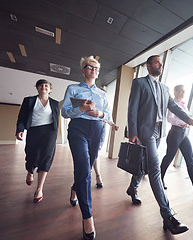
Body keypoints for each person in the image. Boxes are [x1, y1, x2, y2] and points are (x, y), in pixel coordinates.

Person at [126, 55, 193, 235]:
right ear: (148, 66)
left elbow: (174, 107)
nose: (161, 65)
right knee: (154, 169)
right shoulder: (140, 83)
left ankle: (132, 188)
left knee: (144, 163)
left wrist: (189, 119)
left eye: (162, 63)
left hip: (159, 132)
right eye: (157, 62)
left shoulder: (165, 89)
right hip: (144, 131)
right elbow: (132, 108)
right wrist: (133, 132)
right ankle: (168, 216)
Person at [61, 56, 118, 240]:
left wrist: (101, 114)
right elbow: (64, 112)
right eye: (90, 67)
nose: (94, 70)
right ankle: (88, 217)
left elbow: (107, 114)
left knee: (86, 168)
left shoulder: (102, 93)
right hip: (78, 129)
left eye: (97, 68)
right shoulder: (73, 88)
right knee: (84, 169)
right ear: (83, 70)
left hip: (97, 130)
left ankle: (75, 188)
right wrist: (81, 109)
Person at [160, 85, 193, 199]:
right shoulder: (173, 103)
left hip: (183, 134)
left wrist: (187, 123)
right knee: (169, 157)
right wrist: (182, 122)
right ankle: (160, 179)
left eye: (184, 91)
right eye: (181, 91)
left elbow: (186, 117)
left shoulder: (183, 104)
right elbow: (170, 118)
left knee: (190, 160)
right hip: (175, 133)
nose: (183, 93)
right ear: (176, 92)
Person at [15, 79, 59, 203]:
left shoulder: (55, 103)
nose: (43, 87)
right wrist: (20, 129)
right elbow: (22, 117)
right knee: (31, 155)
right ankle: (30, 171)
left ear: (50, 89)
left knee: (47, 157)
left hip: (50, 132)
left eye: (46, 86)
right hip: (34, 130)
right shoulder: (29, 100)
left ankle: (39, 189)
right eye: (41, 85)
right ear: (37, 88)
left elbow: (56, 119)